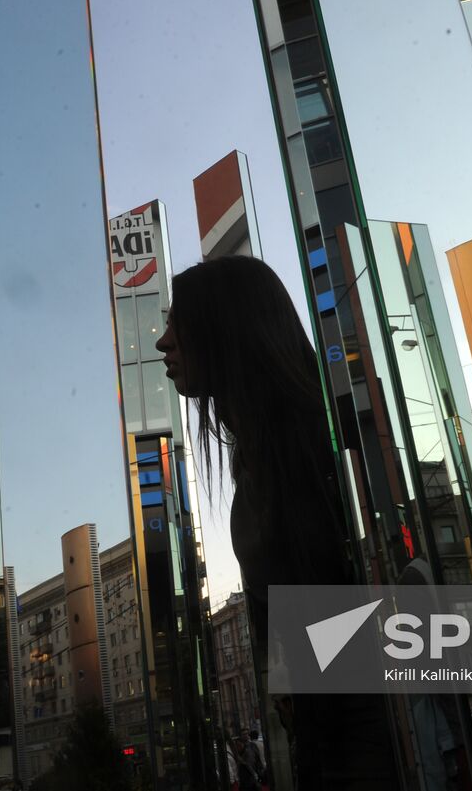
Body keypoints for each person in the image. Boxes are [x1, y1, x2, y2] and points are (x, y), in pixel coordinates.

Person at [156, 255, 395, 789]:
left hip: (361, 742)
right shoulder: (262, 455)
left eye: (179, 323)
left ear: (228, 329)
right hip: (333, 736)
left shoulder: (309, 443)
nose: (164, 343)